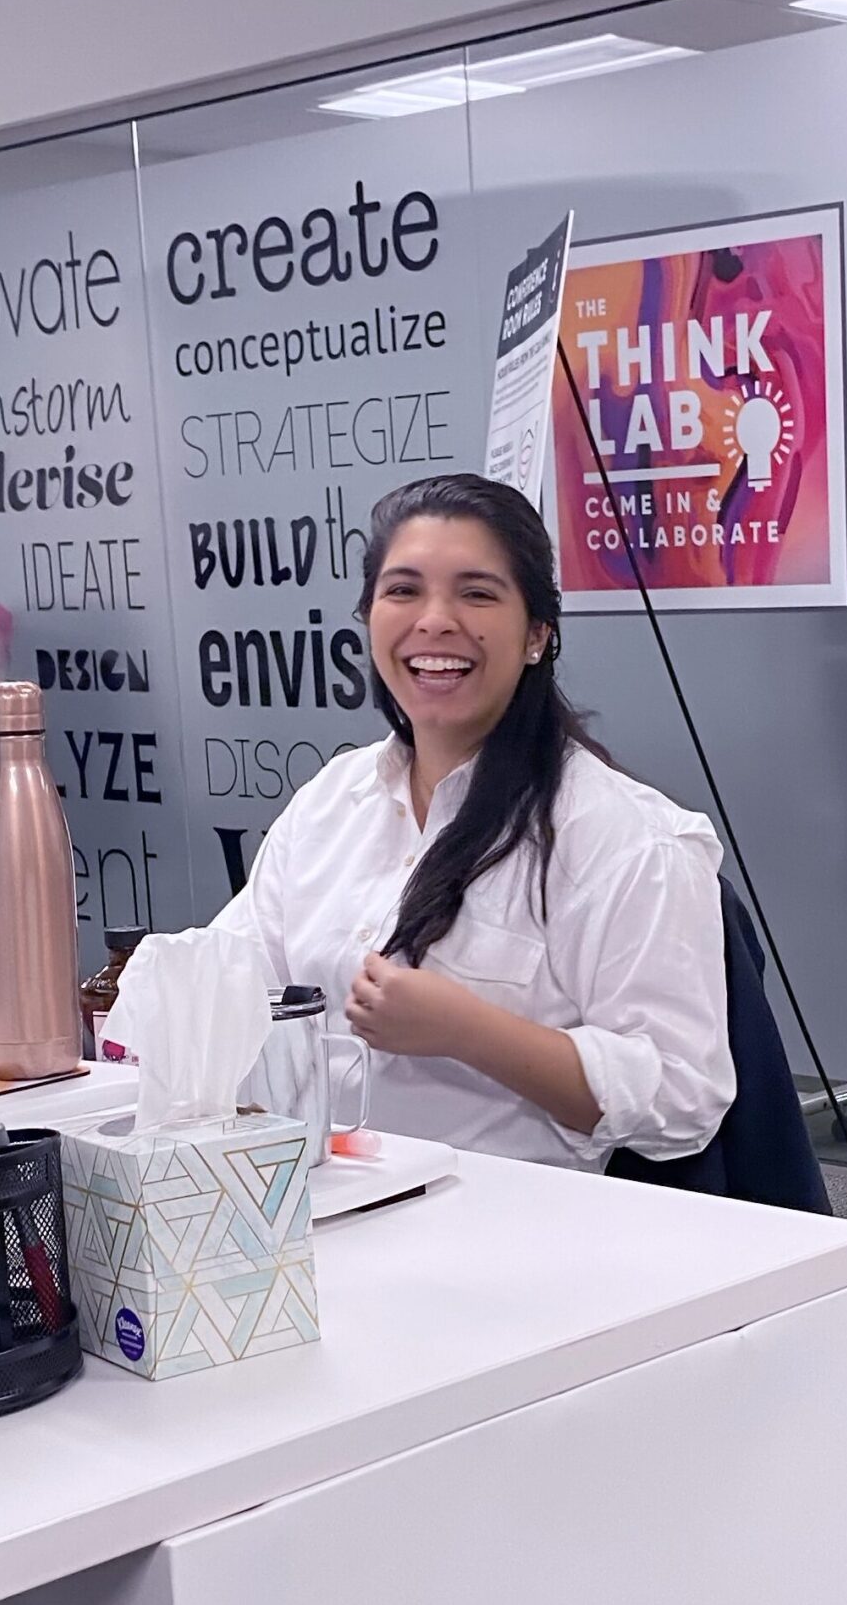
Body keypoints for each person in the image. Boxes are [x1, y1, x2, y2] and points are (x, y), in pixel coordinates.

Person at [208, 473, 734, 1170]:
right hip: (315, 1208)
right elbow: (231, 978)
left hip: (515, 1240)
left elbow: (682, 1099)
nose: (434, 620)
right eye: (403, 591)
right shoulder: (331, 801)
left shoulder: (624, 836)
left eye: (477, 593)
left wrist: (468, 1030)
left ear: (537, 635)